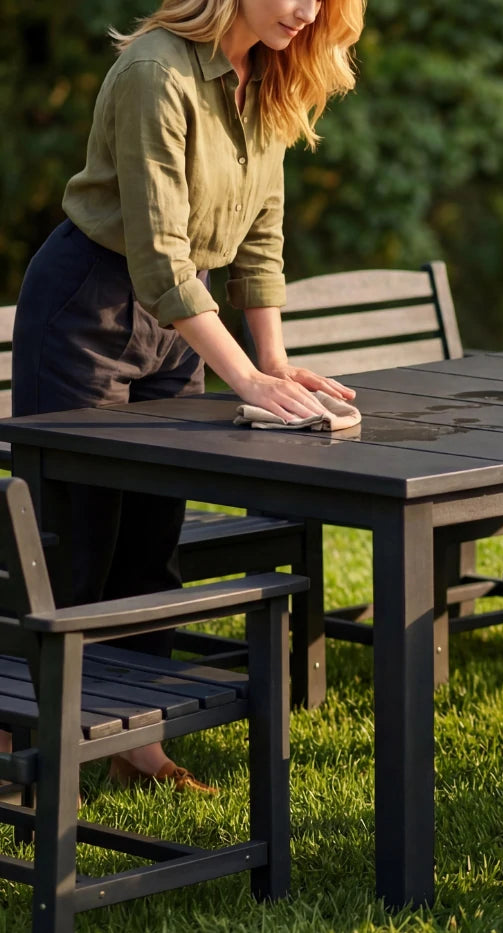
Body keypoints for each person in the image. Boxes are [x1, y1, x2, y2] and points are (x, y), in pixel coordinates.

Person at [6, 0, 366, 792]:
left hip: (182, 322)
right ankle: (17, 746)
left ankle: (137, 744)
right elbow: (159, 255)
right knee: (72, 544)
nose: (307, 11)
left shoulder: (270, 73)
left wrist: (274, 357)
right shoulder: (153, 72)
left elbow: (261, 233)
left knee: (150, 541)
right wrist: (245, 378)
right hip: (86, 310)